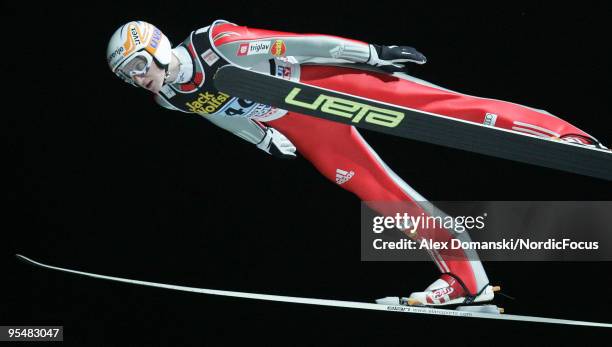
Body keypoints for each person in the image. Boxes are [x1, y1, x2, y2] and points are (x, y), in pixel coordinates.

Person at [106, 20, 604, 307]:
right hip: (298, 124)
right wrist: (261, 138)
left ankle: (566, 136)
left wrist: (372, 53)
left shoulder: (217, 45)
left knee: (442, 105)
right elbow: (216, 116)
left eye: (136, 66)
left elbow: (301, 44)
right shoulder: (169, 97)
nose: (137, 79)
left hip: (320, 82)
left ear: (154, 46)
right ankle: (466, 282)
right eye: (126, 77)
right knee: (382, 197)